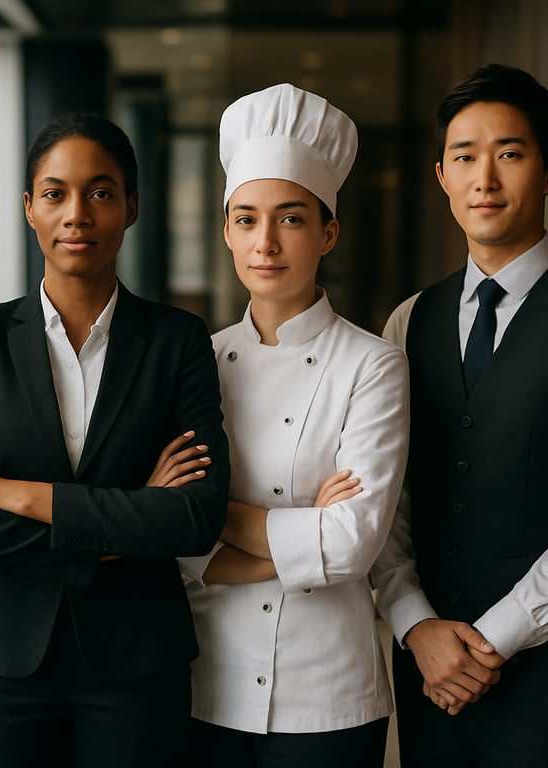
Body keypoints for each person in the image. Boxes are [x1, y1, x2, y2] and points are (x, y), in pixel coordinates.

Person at [0, 111, 230, 768]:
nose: (77, 215)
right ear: (28, 208)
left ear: (132, 207)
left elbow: (195, 517)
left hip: (137, 662)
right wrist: (126, 520)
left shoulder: (177, 341)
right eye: (55, 193)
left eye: (101, 192)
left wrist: (30, 498)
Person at [178, 83, 410, 768]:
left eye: (291, 218)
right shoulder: (195, 362)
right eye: (246, 220)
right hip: (206, 685)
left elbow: (353, 545)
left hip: (329, 697)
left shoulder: (373, 364)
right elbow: (174, 542)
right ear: (226, 231)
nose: (266, 242)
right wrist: (309, 533)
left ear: (328, 232)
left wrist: (211, 514)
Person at [373, 63, 548, 767]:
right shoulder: (408, 322)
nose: (486, 179)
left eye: (510, 153)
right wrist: (416, 626)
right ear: (441, 175)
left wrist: (494, 638)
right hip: (428, 674)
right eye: (465, 157)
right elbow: (387, 500)